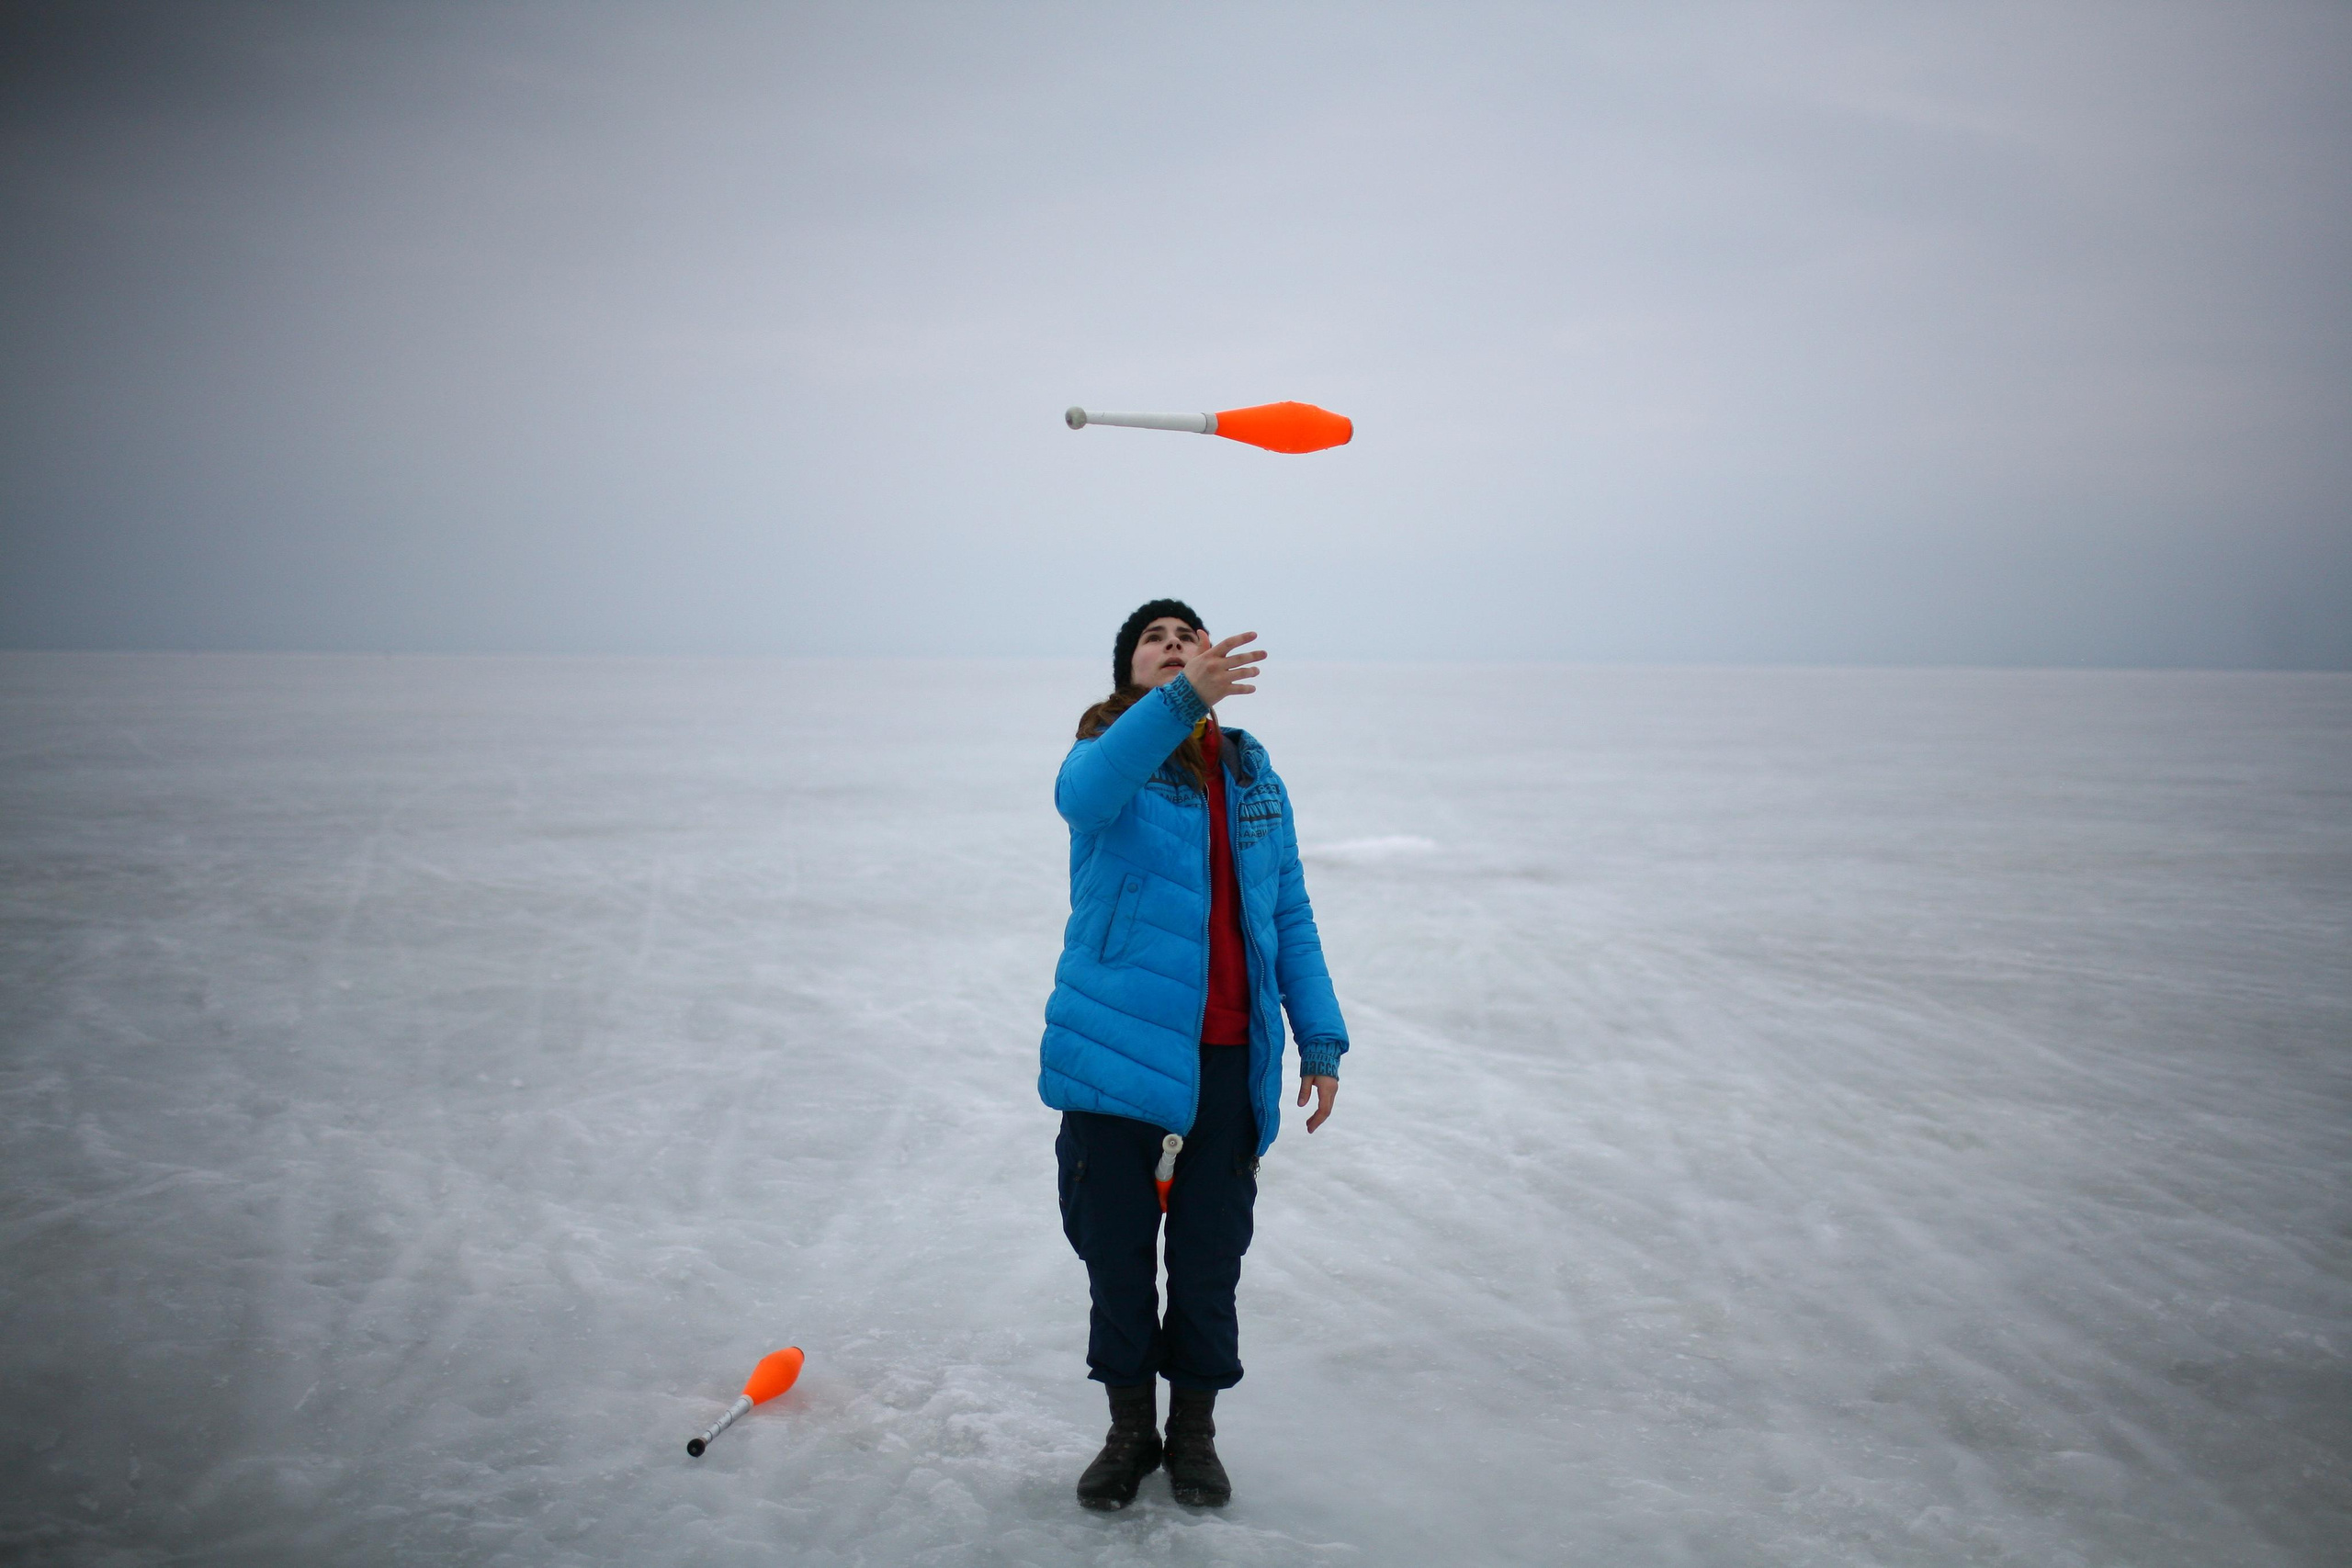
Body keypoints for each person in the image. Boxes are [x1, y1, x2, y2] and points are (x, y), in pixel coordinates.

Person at [1039, 598, 1350, 1510]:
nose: (1172, 646)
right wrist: (1178, 707)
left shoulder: (1253, 776)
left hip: (1228, 1060)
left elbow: (1286, 910)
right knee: (1119, 1260)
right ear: (1128, 671)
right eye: (1153, 641)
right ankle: (1129, 1431)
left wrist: (1318, 1037)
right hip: (1116, 1056)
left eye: (1187, 637)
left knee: (1209, 1263)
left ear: (1215, 657)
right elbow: (1081, 797)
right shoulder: (1106, 759)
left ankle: (1194, 1435)